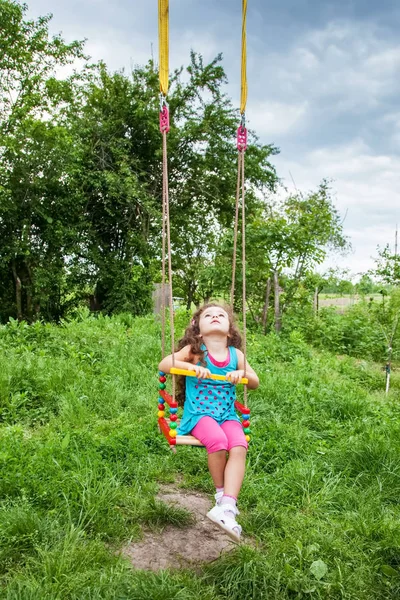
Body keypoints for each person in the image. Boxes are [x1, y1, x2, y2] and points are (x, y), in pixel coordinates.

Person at [158, 302, 259, 542]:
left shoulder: (236, 355)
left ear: (230, 331)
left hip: (227, 415)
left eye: (221, 315)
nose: (215, 316)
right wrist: (190, 368)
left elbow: (255, 381)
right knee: (218, 441)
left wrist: (241, 374)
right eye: (208, 315)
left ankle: (228, 505)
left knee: (239, 446)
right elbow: (164, 364)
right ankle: (220, 496)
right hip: (199, 416)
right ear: (199, 330)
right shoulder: (196, 351)